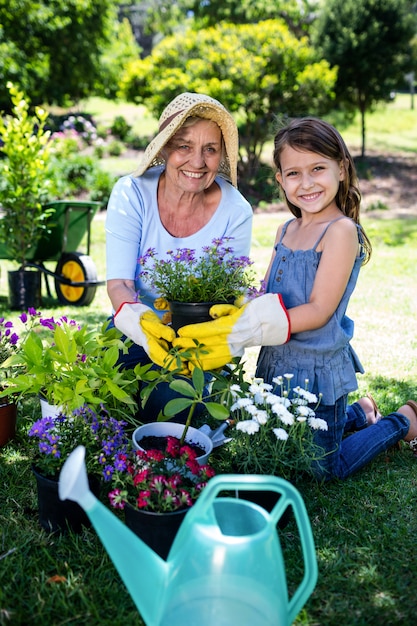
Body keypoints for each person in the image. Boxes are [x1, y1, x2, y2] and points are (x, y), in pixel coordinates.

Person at [174, 116, 417, 480]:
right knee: (280, 449)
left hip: (317, 372)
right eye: (293, 173)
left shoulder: (340, 232)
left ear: (341, 169)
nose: (306, 183)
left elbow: (319, 310)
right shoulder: (286, 229)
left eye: (317, 168)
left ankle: (402, 421)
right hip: (278, 365)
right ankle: (361, 413)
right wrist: (237, 305)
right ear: (280, 180)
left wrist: (257, 327)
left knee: (320, 470)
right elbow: (269, 292)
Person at [105, 92, 253, 418]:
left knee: (169, 405)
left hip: (199, 342)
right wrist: (144, 324)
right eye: (184, 146)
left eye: (210, 150)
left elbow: (228, 296)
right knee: (102, 397)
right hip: (133, 330)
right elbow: (118, 284)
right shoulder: (131, 194)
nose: (197, 162)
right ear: (165, 148)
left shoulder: (235, 211)